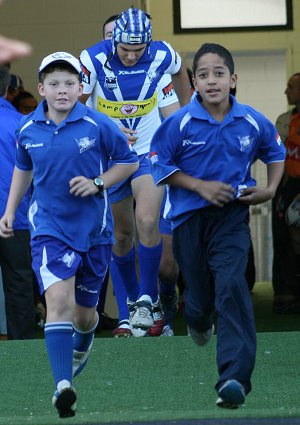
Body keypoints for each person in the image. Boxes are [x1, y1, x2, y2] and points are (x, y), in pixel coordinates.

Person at [0, 51, 138, 418]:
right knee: (57, 303)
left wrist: (98, 183)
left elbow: (128, 161)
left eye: (70, 83)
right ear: (42, 88)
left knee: (85, 316)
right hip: (49, 229)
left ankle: (81, 344)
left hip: (96, 232)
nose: (62, 90)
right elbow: (22, 168)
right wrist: (10, 210)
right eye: (55, 83)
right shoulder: (27, 128)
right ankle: (64, 386)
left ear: (81, 88)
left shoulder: (98, 124)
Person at [150, 43, 285, 408]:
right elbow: (159, 166)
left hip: (231, 216)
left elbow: (275, 152)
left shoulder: (252, 120)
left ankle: (234, 378)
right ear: (194, 82)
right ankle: (196, 315)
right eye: (204, 75)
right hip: (189, 219)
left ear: (233, 79)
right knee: (199, 297)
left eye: (219, 74)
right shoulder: (178, 123)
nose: (212, 81)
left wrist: (270, 189)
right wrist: (198, 185)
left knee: (231, 285)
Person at [79, 7, 190, 337]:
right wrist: (107, 133)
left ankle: (147, 300)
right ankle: (129, 313)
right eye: (124, 49)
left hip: (147, 155)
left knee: (146, 221)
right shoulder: (93, 59)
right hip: (111, 159)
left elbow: (181, 71)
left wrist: (185, 115)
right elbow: (76, 108)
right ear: (113, 40)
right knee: (122, 236)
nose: (129, 56)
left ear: (148, 44)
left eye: (137, 50)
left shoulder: (162, 55)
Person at [0, 64, 36, 340]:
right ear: (10, 90)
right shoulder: (24, 125)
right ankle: (23, 353)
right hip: (17, 218)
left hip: (15, 215)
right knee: (20, 285)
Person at [272, 72, 300, 313]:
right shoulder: (285, 120)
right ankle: (286, 292)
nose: (286, 91)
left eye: (291, 87)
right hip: (288, 187)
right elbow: (277, 155)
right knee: (286, 240)